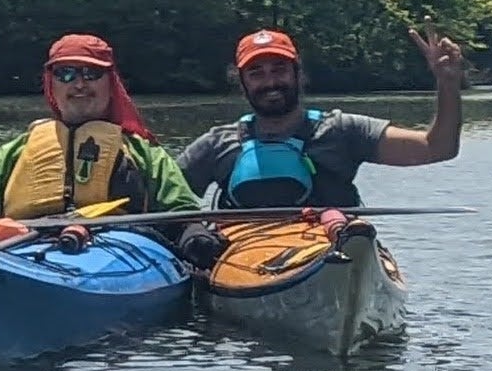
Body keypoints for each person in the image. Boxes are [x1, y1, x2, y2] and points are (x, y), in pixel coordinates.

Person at [164, 25, 467, 267]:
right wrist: (192, 232)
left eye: (279, 69)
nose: (270, 82)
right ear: (242, 83)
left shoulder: (343, 130)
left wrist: (447, 85)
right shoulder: (217, 143)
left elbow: (437, 148)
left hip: (333, 245)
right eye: (256, 73)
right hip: (246, 260)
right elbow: (165, 202)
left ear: (297, 74)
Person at [0, 33, 198, 256]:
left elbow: (182, 217)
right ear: (52, 84)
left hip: (119, 252)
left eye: (91, 73)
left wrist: (196, 239)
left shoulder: (143, 152)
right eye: (65, 74)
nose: (79, 84)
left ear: (110, 82)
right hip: (24, 248)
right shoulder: (14, 152)